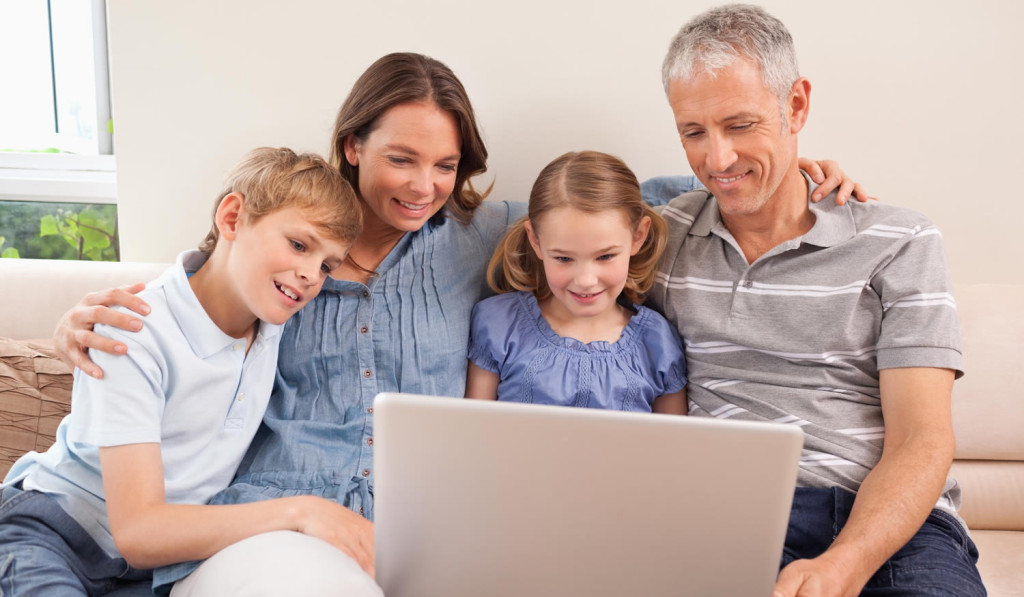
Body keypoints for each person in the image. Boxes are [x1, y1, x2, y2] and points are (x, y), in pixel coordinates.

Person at [50, 52, 865, 596]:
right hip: (279, 525)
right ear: (351, 147)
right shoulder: (289, 257)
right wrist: (82, 318)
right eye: (402, 158)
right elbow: (202, 288)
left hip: (429, 535)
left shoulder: (480, 233)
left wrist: (795, 171)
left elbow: (620, 201)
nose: (424, 187)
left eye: (447, 166)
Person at [649, 5, 986, 596]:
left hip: (890, 522)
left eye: (741, 125)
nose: (717, 160)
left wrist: (844, 564)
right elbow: (561, 231)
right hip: (731, 518)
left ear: (796, 106)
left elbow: (923, 438)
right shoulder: (660, 237)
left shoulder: (900, 241)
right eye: (693, 132)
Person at [0, 147, 365, 596]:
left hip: (151, 572)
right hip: (53, 534)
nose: (311, 274)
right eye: (298, 244)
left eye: (327, 265)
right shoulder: (131, 329)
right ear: (232, 218)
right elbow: (140, 532)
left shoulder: (277, 323)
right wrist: (302, 512)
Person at [466, 150, 686, 415]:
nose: (585, 281)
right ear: (535, 241)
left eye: (605, 256)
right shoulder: (500, 325)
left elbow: (673, 448)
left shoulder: (658, 343)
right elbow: (474, 432)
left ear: (638, 236)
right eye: (563, 258)